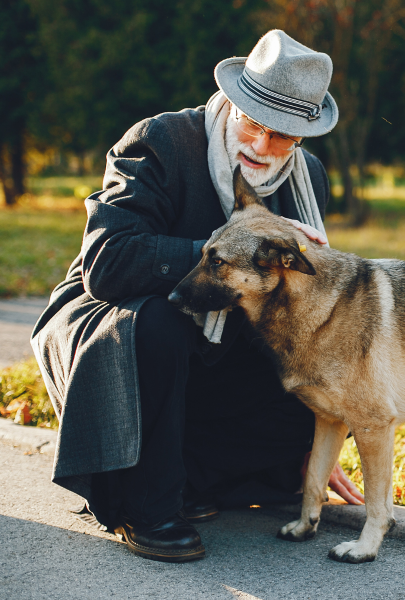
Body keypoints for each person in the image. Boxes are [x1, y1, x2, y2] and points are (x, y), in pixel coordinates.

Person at [30, 30, 364, 563]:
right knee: (163, 319)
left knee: (318, 353)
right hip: (120, 317)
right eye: (253, 124)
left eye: (282, 138)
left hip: (226, 335)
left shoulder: (309, 180)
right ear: (232, 103)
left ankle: (195, 478)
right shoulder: (158, 141)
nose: (261, 147)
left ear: (302, 138)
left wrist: (316, 438)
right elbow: (107, 264)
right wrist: (228, 255)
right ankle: (148, 504)